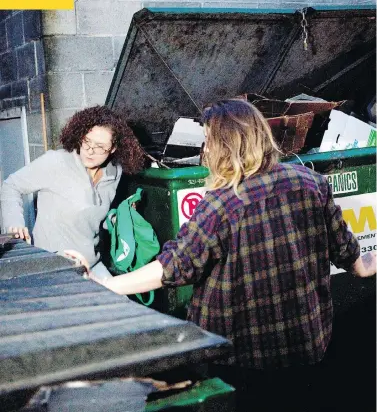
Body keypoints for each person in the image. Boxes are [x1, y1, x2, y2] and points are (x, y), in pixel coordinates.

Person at [75, 99, 376, 409]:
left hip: (243, 360)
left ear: (225, 146)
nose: (204, 151)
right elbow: (356, 262)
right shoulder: (313, 184)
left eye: (208, 141)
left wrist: (105, 287)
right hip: (307, 349)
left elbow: (169, 269)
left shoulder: (222, 204)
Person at [0, 105, 145, 277]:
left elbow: (94, 217)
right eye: (86, 141)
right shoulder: (56, 162)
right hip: (53, 265)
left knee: (122, 302)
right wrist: (15, 222)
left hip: (90, 264)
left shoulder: (114, 173)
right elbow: (10, 186)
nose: (90, 151)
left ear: (113, 148)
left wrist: (118, 218)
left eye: (100, 146)